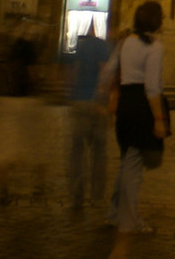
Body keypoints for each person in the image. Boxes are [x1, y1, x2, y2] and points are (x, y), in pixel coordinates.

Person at [107, 1, 167, 235]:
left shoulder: (124, 42)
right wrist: (159, 118)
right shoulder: (155, 47)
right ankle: (130, 221)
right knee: (133, 168)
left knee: (126, 161)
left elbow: (110, 69)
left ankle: (115, 213)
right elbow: (152, 87)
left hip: (125, 103)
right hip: (142, 106)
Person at [68, 22, 110, 209]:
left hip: (80, 101)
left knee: (77, 151)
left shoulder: (81, 47)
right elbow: (104, 72)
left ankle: (77, 195)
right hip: (96, 104)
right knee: (99, 152)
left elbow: (75, 71)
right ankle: (97, 195)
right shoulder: (103, 47)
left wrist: (72, 96)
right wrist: (101, 99)